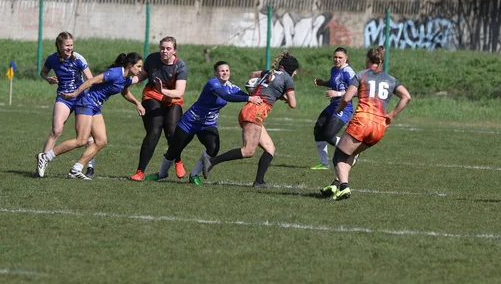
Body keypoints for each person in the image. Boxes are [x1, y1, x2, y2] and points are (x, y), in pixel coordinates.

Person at [320, 46, 411, 201]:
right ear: (381, 61)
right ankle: (336, 183)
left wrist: (338, 110)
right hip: (379, 127)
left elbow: (347, 98)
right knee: (351, 153)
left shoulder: (361, 75)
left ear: (368, 59)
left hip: (362, 122)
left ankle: (344, 187)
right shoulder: (390, 79)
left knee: (339, 155)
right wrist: (391, 115)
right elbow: (406, 97)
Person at [35, 53, 145, 180]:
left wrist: (137, 103)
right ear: (130, 65)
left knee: (101, 141)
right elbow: (91, 81)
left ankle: (76, 169)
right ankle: (45, 157)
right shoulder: (114, 73)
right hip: (86, 102)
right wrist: (74, 94)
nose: (140, 69)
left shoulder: (126, 78)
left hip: (95, 107)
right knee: (81, 140)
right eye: (138, 66)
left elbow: (125, 92)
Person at [150, 61, 262, 185]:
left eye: (227, 70)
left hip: (208, 124)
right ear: (215, 73)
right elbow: (226, 96)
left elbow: (243, 95)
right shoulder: (212, 83)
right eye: (221, 70)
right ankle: (161, 174)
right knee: (174, 149)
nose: (225, 73)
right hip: (190, 121)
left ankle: (194, 175)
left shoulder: (231, 87)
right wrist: (249, 98)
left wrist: (257, 93)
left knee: (213, 148)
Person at [202, 51, 299, 188]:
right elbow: (293, 104)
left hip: (250, 110)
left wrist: (256, 91)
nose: (295, 74)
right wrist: (284, 96)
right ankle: (211, 161)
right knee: (248, 151)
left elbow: (253, 74)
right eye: (295, 71)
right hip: (255, 113)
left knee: (270, 148)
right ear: (291, 70)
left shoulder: (269, 72)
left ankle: (259, 181)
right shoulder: (287, 79)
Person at [36, 31, 97, 178]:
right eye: (67, 45)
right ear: (59, 45)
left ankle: (89, 166)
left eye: (71, 45)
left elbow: (90, 79)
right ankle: (42, 163)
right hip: (64, 97)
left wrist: (79, 93)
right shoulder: (52, 59)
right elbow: (42, 73)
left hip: (81, 97)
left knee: (85, 135)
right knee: (56, 131)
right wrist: (48, 78)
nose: (70, 48)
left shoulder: (78, 58)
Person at [127, 37, 188, 182]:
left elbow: (179, 92)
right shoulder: (152, 58)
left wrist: (164, 91)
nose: (164, 51)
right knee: (154, 132)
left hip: (172, 99)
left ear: (174, 50)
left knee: (172, 132)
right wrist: (129, 80)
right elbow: (143, 75)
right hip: (152, 96)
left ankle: (177, 160)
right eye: (162, 48)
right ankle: (140, 171)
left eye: (168, 48)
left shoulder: (180, 66)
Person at [311, 47, 356, 170]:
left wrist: (338, 94)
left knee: (329, 135)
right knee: (318, 129)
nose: (337, 60)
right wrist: (323, 83)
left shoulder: (348, 72)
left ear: (346, 58)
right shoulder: (334, 70)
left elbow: (356, 91)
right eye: (335, 57)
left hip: (344, 107)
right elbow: (334, 83)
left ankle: (352, 151)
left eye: (340, 57)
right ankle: (324, 163)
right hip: (333, 106)